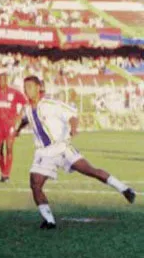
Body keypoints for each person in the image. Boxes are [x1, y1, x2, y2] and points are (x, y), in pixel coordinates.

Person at [15, 76, 135, 230]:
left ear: (39, 88)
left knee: (90, 170)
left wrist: (73, 128)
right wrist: (18, 129)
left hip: (61, 147)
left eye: (30, 86)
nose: (27, 90)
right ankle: (49, 221)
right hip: (43, 153)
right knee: (35, 184)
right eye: (25, 87)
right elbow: (27, 118)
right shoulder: (27, 108)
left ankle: (124, 188)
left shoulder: (51, 104)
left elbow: (72, 115)